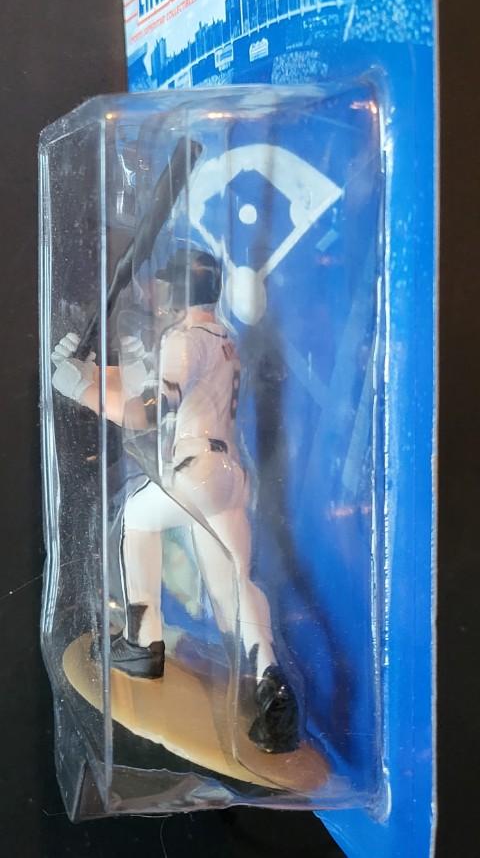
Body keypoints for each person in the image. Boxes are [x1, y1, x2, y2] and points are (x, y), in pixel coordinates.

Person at [51, 247, 299, 753]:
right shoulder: (222, 338)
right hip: (229, 476)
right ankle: (272, 686)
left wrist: (79, 388)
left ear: (181, 290)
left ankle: (142, 643)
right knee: (235, 585)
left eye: (167, 283)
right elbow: (150, 381)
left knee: (135, 518)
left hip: (196, 469)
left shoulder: (183, 340)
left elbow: (145, 411)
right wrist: (91, 371)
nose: (158, 291)